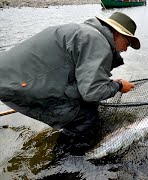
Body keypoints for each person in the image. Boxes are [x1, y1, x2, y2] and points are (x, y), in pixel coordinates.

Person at [0, 12, 140, 143]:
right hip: (18, 84)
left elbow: (81, 79)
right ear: (116, 34)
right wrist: (119, 86)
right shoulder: (98, 43)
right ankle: (64, 163)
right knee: (86, 118)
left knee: (86, 105)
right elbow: (92, 93)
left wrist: (108, 84)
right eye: (127, 43)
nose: (126, 49)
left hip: (10, 75)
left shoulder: (85, 32)